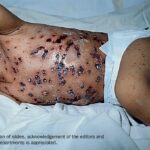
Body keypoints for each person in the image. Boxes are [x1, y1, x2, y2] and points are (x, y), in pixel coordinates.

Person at [0, 4, 150, 125]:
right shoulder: (7, 91)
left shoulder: (12, 34)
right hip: (114, 93)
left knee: (130, 92)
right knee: (129, 93)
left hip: (127, 50)